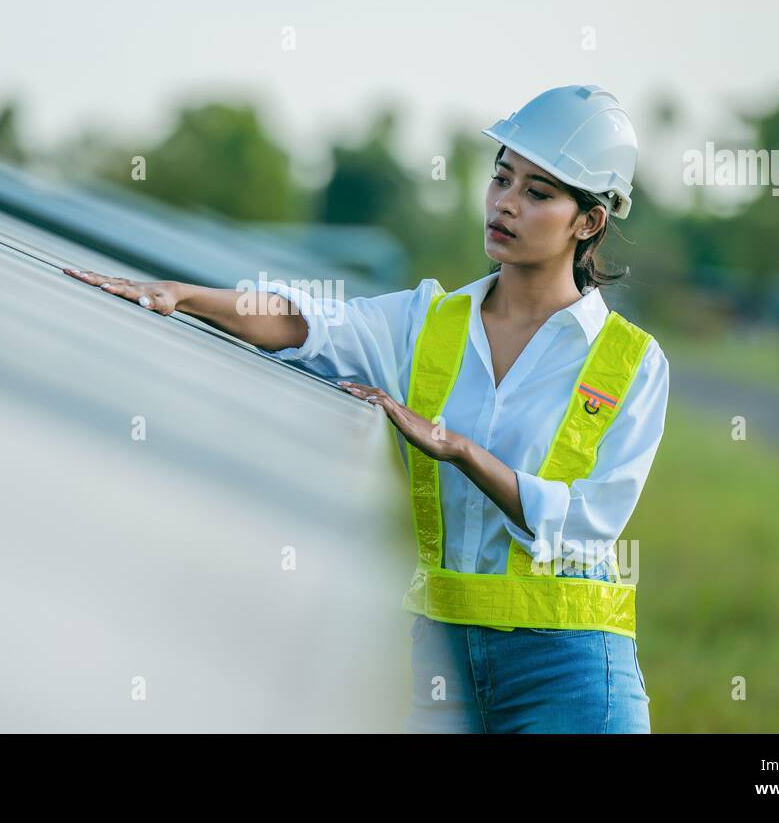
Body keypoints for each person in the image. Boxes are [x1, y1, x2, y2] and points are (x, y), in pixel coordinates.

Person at [63, 84, 669, 733]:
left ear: (589, 222)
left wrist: (460, 451)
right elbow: (308, 325)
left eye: (538, 192)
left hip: (570, 676)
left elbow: (587, 525)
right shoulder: (425, 321)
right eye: (501, 179)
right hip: (442, 661)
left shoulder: (631, 364)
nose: (505, 204)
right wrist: (183, 297)